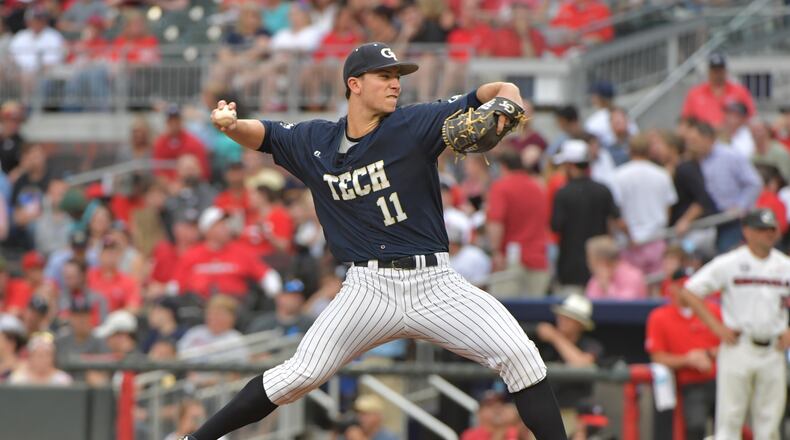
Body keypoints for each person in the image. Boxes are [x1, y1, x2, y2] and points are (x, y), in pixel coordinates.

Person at [183, 42, 566, 440]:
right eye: (384, 76)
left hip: (434, 283)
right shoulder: (314, 140)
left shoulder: (414, 124)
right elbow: (264, 135)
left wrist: (508, 103)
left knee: (521, 356)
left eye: (398, 77)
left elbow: (495, 90)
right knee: (299, 375)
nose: (395, 84)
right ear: (355, 84)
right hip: (368, 289)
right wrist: (230, 125)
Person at [679, 208, 790, 439]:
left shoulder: (784, 265)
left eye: (771, 229)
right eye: (761, 229)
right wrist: (717, 327)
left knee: (769, 425)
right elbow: (690, 291)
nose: (767, 234)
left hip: (773, 348)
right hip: (739, 345)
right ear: (747, 231)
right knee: (730, 419)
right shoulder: (730, 262)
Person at [645, 264, 720, 440]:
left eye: (691, 287)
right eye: (682, 287)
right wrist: (689, 360)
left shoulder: (713, 310)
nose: (687, 292)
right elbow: (657, 356)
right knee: (695, 426)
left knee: (728, 427)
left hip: (718, 379)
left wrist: (707, 354)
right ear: (672, 287)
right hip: (687, 383)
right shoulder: (659, 316)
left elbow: (728, 343)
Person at [551, 139, 621, 295]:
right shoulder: (603, 190)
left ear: (570, 165)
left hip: (570, 267)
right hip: (600, 266)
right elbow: (616, 219)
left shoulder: (563, 194)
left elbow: (555, 226)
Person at [535, 293, 603, 437]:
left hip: (574, 411)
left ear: (580, 324)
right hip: (542, 408)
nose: (562, 320)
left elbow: (582, 364)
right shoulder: (544, 345)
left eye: (569, 318)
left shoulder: (591, 345)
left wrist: (554, 336)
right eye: (561, 316)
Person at [486, 149, 550, 297]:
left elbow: (496, 222)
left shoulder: (501, 187)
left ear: (503, 166)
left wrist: (496, 252)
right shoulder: (538, 187)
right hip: (539, 257)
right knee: (534, 314)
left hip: (511, 259)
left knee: (505, 312)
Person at [681, 53, 756, 128]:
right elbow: (686, 120)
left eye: (720, 70)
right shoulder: (695, 93)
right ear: (709, 71)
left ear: (725, 71)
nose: (717, 74)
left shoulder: (740, 91)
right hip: (704, 136)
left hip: (733, 136)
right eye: (714, 70)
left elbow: (750, 117)